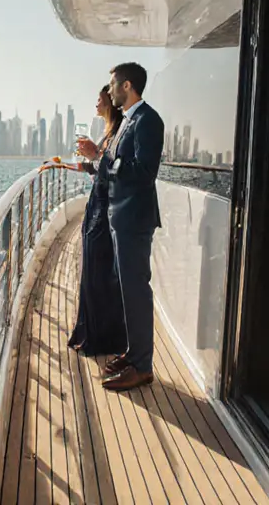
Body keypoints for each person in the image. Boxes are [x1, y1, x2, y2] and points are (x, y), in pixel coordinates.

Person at [76, 62, 163, 392]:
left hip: (134, 220)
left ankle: (142, 367)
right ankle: (134, 353)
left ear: (127, 86)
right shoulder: (129, 120)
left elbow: (144, 171)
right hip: (120, 218)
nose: (109, 91)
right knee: (127, 291)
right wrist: (98, 158)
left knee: (136, 292)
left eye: (113, 85)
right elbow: (113, 167)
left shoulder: (148, 121)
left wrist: (100, 156)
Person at [45, 86, 127, 356]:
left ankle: (103, 338)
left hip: (105, 208)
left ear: (109, 103)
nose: (96, 103)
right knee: (91, 270)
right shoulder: (108, 133)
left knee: (99, 272)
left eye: (100, 99)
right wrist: (63, 165)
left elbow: (115, 170)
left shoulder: (119, 133)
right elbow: (94, 167)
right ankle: (88, 331)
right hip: (96, 204)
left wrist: (95, 155)